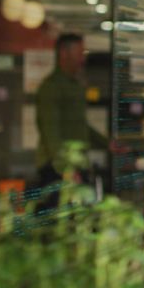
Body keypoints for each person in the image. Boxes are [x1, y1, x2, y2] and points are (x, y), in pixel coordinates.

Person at [35, 33, 108, 201]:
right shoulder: (52, 87)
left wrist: (107, 143)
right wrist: (66, 170)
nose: (83, 59)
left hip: (75, 166)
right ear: (64, 53)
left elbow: (80, 126)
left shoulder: (74, 85)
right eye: (80, 53)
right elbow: (49, 131)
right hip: (57, 169)